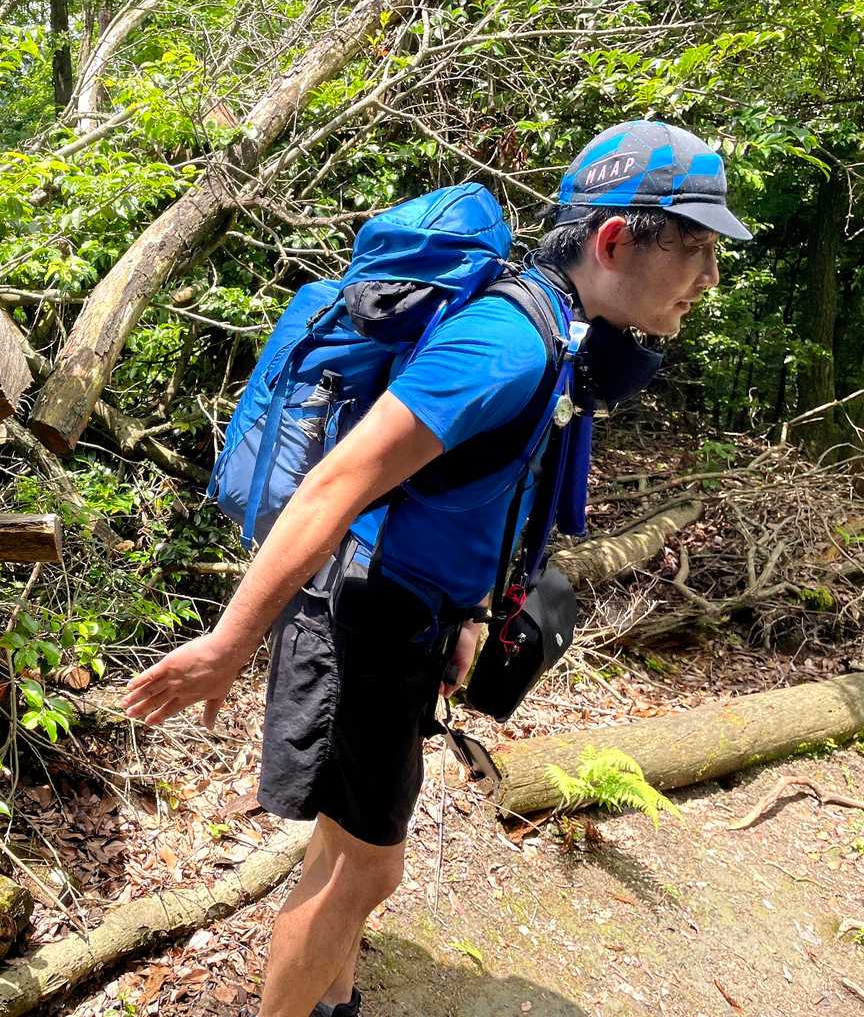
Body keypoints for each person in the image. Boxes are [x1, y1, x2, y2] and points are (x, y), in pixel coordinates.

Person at [121, 120, 752, 1017]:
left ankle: (332, 1002)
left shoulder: (561, 332)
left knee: (347, 842)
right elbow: (335, 486)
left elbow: (480, 495)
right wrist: (227, 644)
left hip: (411, 616)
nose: (710, 277)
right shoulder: (507, 342)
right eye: (697, 247)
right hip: (364, 616)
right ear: (616, 240)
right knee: (367, 869)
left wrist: (464, 615)